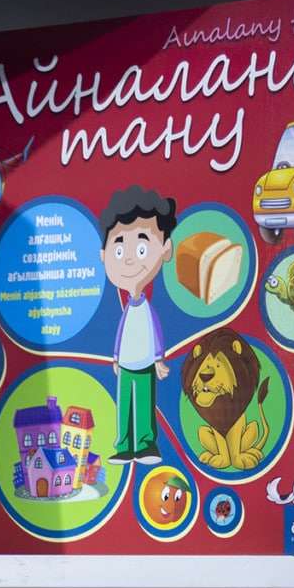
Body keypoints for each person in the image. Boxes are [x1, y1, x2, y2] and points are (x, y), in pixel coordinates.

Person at [98, 187, 177, 463]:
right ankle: (123, 445)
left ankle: (145, 444)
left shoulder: (146, 309)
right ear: (104, 255)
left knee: (143, 403)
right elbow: (120, 334)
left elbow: (155, 334)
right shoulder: (128, 311)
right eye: (119, 249)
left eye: (142, 248)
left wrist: (158, 360)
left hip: (144, 364)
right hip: (125, 365)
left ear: (165, 249)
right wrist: (115, 358)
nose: (129, 258)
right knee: (124, 405)